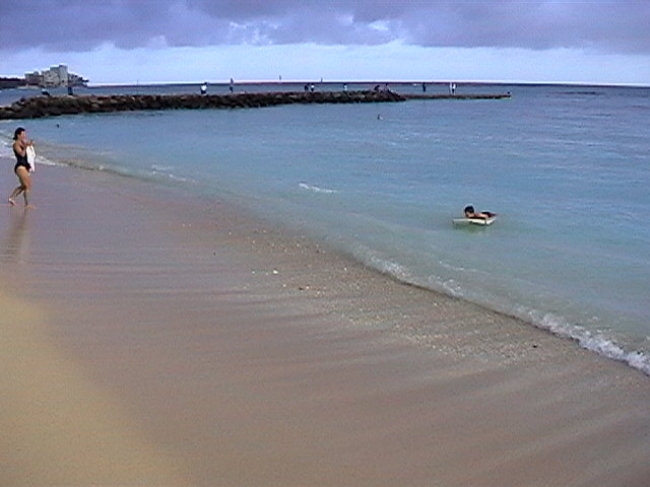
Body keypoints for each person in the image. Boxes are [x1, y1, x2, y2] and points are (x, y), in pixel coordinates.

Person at [9, 127, 36, 209]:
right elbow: (22, 154)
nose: (25, 135)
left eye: (25, 134)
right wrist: (25, 147)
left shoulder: (23, 143)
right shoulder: (16, 144)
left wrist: (30, 145)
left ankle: (11, 198)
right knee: (28, 186)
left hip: (24, 167)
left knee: (24, 186)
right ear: (18, 135)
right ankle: (27, 204)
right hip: (20, 167)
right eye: (23, 134)